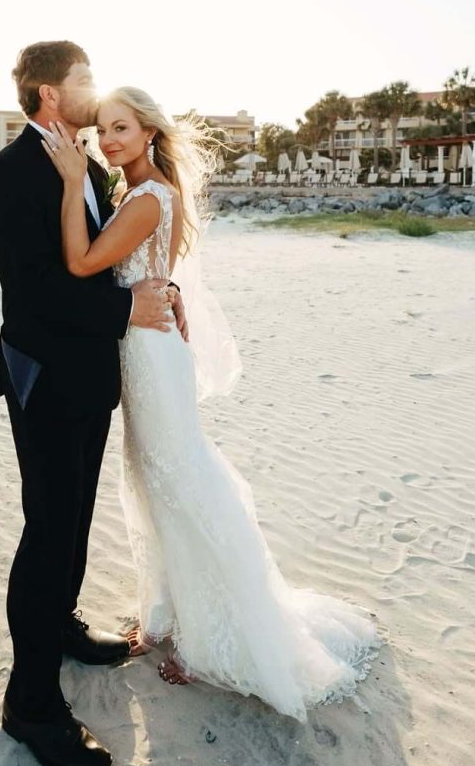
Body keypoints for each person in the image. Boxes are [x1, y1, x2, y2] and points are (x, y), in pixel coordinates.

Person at [41, 86, 382, 723]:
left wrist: (67, 182)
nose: (108, 141)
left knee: (183, 483)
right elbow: (158, 276)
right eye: (102, 131)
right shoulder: (147, 193)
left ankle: (213, 644)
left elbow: (82, 262)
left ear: (148, 134)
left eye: (121, 129)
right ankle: (171, 613)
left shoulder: (146, 199)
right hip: (148, 355)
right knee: (158, 483)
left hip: (151, 358)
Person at [0, 42, 187, 766]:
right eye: (84, 82)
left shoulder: (88, 164)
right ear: (48, 97)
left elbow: (109, 249)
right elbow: (32, 294)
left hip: (91, 377)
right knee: (47, 528)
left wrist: (150, 292)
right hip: (45, 380)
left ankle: (60, 627)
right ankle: (30, 705)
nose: (94, 93)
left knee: (72, 518)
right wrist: (125, 306)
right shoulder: (6, 174)